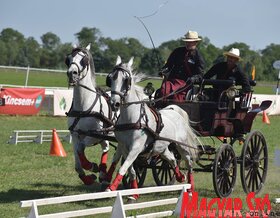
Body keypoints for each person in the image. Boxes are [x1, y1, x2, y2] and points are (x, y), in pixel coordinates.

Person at [156, 30, 205, 103]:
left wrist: (193, 78)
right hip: (171, 80)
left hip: (185, 83)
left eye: (190, 42)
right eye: (186, 41)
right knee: (164, 89)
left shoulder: (198, 57)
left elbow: (200, 75)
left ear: (196, 42)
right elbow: (168, 66)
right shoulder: (177, 51)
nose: (187, 43)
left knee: (177, 94)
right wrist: (163, 71)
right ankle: (160, 106)